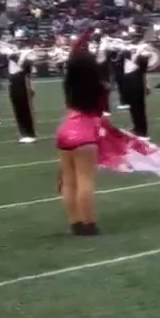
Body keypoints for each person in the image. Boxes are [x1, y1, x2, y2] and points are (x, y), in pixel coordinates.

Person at [57, 34, 111, 235]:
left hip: (65, 128)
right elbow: (100, 108)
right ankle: (89, 224)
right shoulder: (98, 87)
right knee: (85, 179)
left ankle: (75, 223)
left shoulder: (68, 84)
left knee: (69, 180)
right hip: (84, 133)